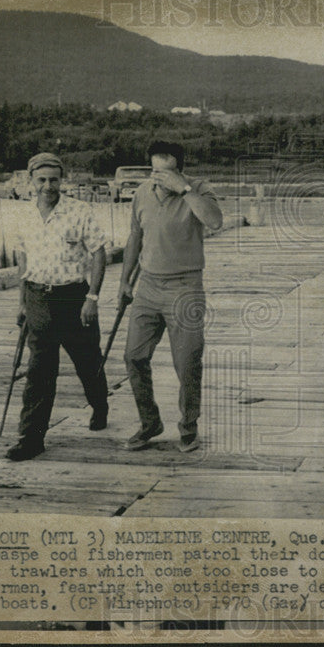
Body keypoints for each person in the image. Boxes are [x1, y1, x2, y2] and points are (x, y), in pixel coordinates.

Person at [117, 141, 223, 453]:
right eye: (154, 172)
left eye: (167, 173)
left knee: (187, 362)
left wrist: (185, 188)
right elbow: (134, 237)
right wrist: (124, 281)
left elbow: (215, 221)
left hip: (185, 287)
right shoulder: (141, 192)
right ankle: (150, 423)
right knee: (134, 357)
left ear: (180, 170)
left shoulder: (199, 189)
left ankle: (188, 427)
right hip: (148, 286)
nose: (159, 179)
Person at [6, 152, 109, 461]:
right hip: (38, 298)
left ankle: (100, 405)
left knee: (88, 363)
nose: (48, 186)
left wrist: (92, 298)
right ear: (30, 182)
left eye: (54, 179)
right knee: (39, 370)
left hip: (74, 299)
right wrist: (22, 301)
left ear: (62, 180)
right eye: (42, 180)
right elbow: (22, 258)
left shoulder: (79, 211)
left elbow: (99, 253)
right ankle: (31, 438)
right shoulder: (23, 215)